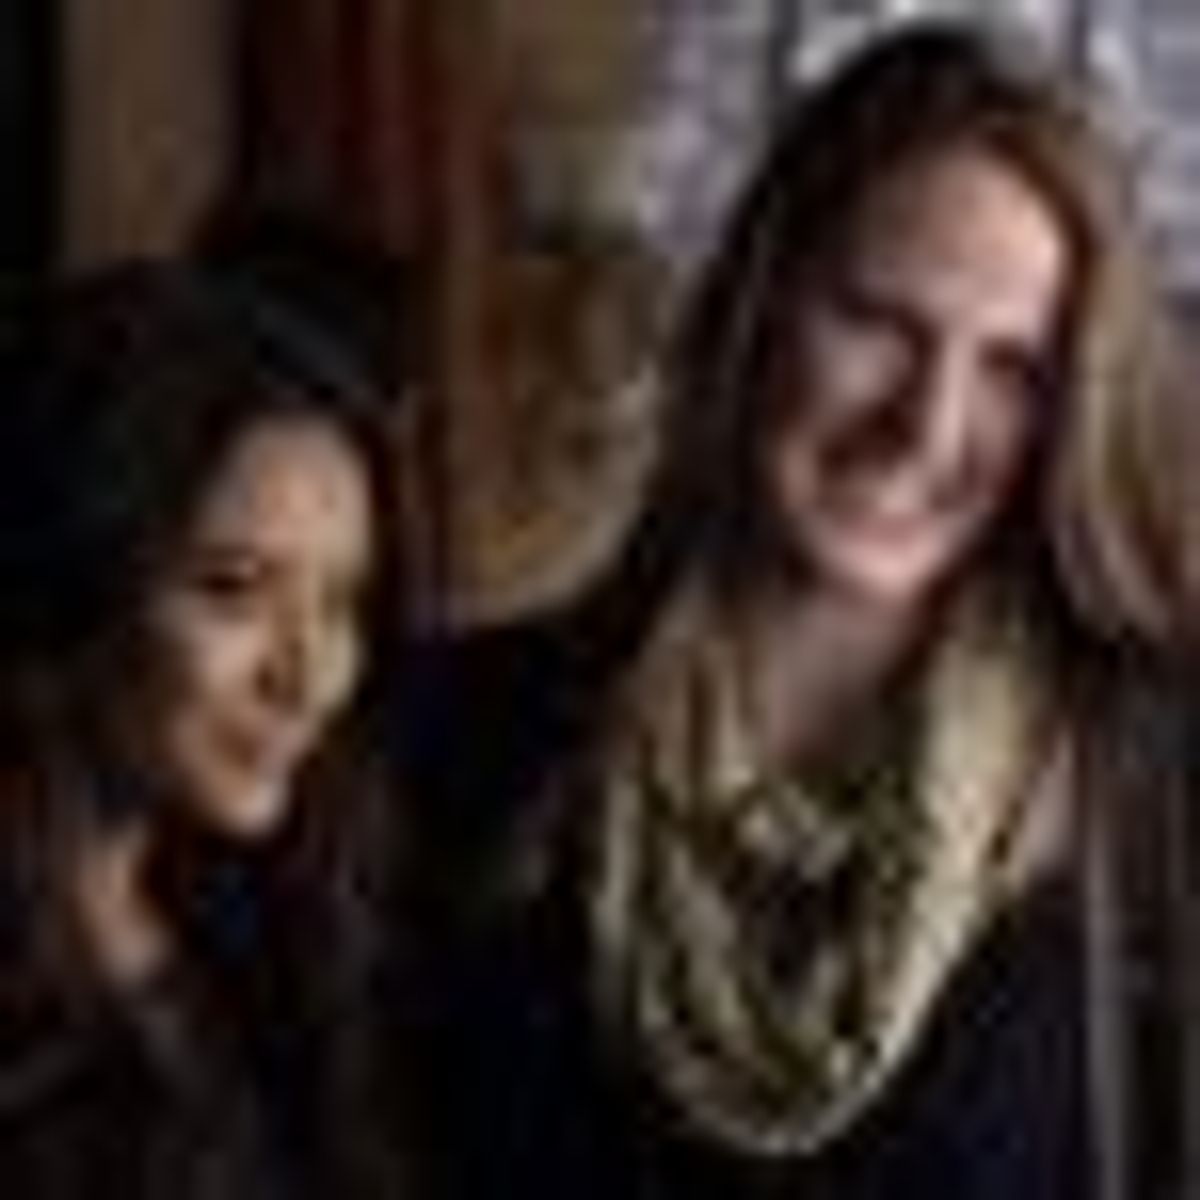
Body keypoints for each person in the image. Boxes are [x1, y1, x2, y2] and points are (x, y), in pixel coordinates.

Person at [408, 19, 1181, 1200]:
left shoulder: (1150, 780)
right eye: (878, 322)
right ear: (758, 303)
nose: (927, 427)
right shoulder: (456, 740)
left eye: (1012, 370)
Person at [0, 263, 410, 1198]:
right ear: (78, 578)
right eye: (234, 589)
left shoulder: (276, 922)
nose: (308, 679)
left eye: (341, 602)